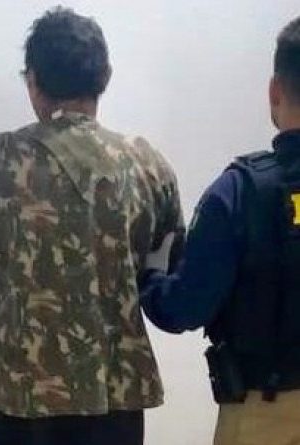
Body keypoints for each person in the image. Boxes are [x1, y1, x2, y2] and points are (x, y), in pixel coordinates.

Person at [0, 7, 184, 445]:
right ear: (105, 76)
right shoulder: (145, 164)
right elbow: (167, 260)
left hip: (19, 390)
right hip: (113, 390)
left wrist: (28, 298)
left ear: (32, 81)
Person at [140, 16, 300, 445]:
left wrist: (150, 275)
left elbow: (184, 309)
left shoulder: (240, 191)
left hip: (266, 416)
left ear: (275, 91)